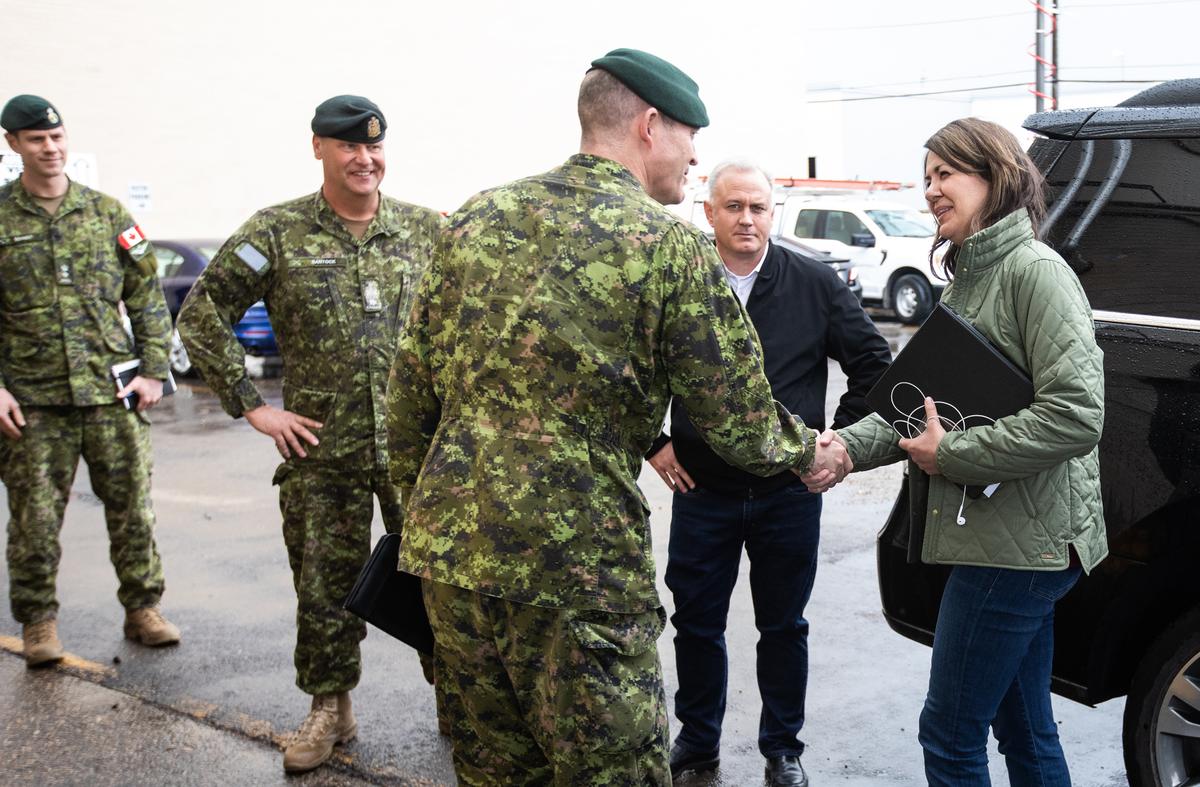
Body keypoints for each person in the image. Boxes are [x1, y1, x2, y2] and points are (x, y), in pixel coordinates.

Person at [385, 48, 851, 785]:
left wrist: (426, 525)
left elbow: (408, 401)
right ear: (650, 125)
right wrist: (819, 451)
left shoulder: (473, 218)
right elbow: (740, 420)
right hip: (576, 571)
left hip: (454, 563)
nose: (694, 156)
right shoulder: (668, 246)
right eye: (689, 136)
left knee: (497, 771)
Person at [827, 117, 1107, 785]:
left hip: (1021, 549)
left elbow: (1076, 415)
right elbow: (913, 409)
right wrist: (839, 448)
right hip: (1009, 542)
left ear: (995, 175)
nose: (931, 189)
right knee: (1025, 728)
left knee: (950, 735)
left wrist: (953, 455)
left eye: (946, 173)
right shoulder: (969, 279)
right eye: (927, 177)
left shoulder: (1034, 272)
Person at [175, 95, 444, 774]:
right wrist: (252, 405)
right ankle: (331, 707)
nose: (365, 159)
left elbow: (467, 322)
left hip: (418, 448)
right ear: (318, 148)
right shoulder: (278, 230)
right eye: (348, 146)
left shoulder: (424, 229)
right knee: (325, 584)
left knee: (441, 580)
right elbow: (202, 312)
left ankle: (460, 700)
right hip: (322, 448)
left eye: (374, 147)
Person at [648, 160, 890, 786]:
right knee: (696, 624)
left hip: (788, 493)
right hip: (703, 490)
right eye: (733, 207)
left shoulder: (812, 283)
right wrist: (654, 442)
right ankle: (697, 745)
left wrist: (837, 440)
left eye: (758, 207)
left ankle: (783, 749)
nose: (747, 219)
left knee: (783, 626)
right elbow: (632, 364)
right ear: (709, 212)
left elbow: (872, 362)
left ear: (772, 213)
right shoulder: (685, 281)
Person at [0, 95, 181, 667]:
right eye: (35, 140)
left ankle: (142, 609)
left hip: (112, 395)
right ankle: (38, 623)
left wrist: (155, 370)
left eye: (56, 138)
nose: (50, 149)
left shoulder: (107, 214)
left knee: (132, 508)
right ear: (13, 145)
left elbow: (147, 297)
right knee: (34, 518)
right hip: (33, 401)